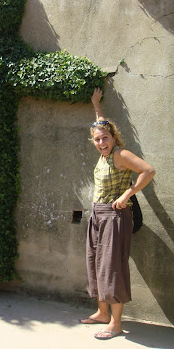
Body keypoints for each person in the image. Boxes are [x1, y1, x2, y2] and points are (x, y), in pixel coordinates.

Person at [80, 88, 155, 340]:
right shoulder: (102, 156)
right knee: (96, 264)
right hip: (97, 215)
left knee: (112, 268)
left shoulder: (120, 154)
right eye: (97, 139)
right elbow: (99, 124)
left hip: (114, 217)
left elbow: (148, 170)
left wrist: (127, 195)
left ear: (113, 137)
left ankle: (116, 323)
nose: (101, 142)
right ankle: (102, 313)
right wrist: (96, 105)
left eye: (105, 138)